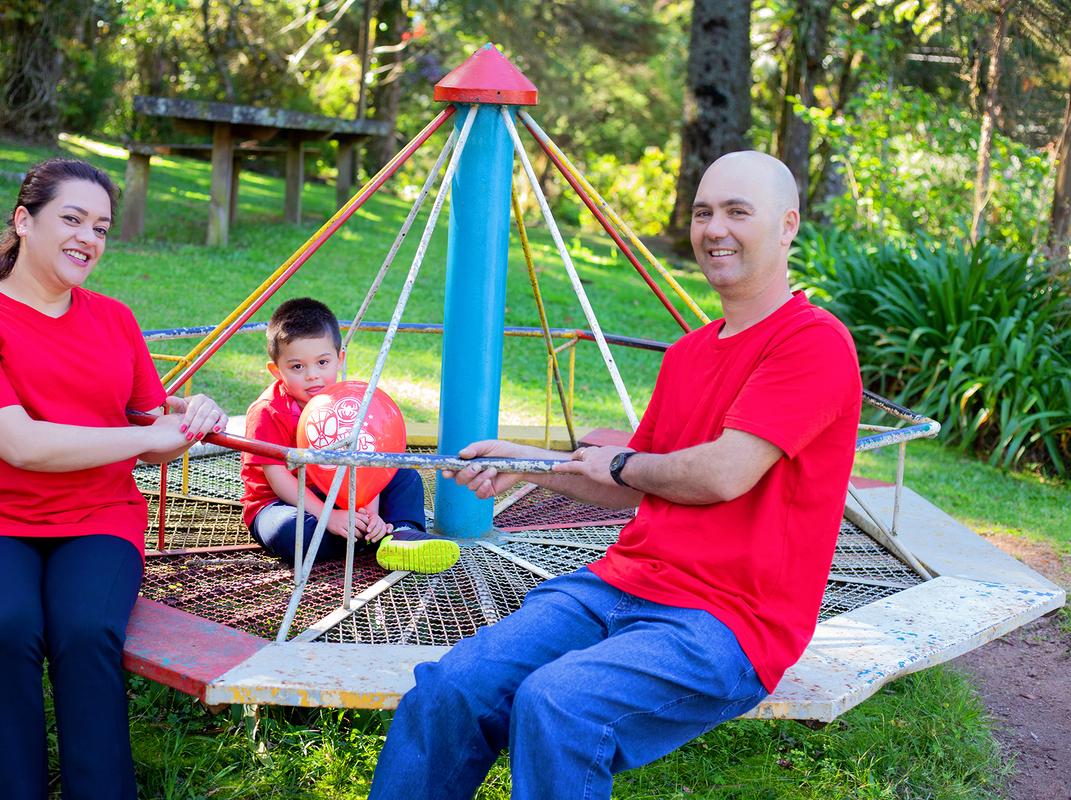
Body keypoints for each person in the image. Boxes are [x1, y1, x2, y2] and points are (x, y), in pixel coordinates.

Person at [367, 151, 863, 800]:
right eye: (704, 212)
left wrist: (621, 461)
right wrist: (531, 465)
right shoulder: (689, 355)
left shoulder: (813, 341)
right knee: (453, 687)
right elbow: (630, 481)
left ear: (787, 225)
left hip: (729, 619)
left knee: (558, 706)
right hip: (617, 584)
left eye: (738, 212)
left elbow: (723, 474)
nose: (716, 228)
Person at [0, 158, 228, 800]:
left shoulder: (114, 319)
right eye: (71, 218)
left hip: (99, 517)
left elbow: (152, 430)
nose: (88, 238)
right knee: (8, 630)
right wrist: (148, 435)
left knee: (85, 633)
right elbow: (20, 444)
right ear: (23, 221)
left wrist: (191, 416)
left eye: (101, 226)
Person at [240, 297, 459, 573]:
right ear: (277, 370)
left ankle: (402, 533)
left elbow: (366, 464)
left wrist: (368, 510)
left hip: (343, 490)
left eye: (322, 362)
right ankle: (372, 537)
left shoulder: (347, 402)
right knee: (289, 532)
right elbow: (278, 479)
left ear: (339, 359)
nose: (312, 376)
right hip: (282, 502)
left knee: (404, 476)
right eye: (297, 367)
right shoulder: (267, 411)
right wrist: (329, 516)